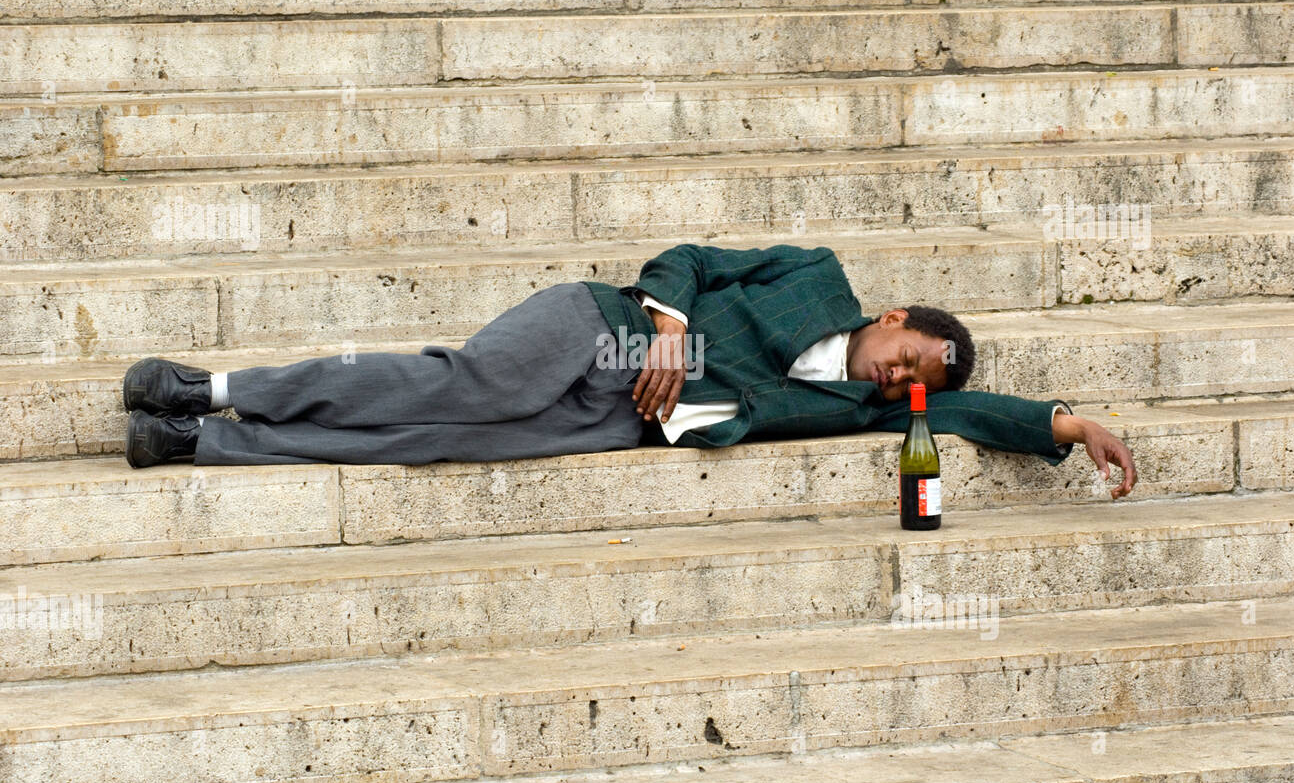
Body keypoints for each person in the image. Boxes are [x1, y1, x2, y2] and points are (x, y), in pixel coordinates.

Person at [121, 242, 1138, 498]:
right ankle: (208, 385)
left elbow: (974, 414)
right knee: (463, 386)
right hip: (602, 329)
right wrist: (663, 328)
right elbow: (691, 257)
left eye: (915, 378)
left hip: (621, 422)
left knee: (432, 440)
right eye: (907, 354)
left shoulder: (865, 414)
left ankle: (197, 441)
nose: (899, 377)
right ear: (891, 315)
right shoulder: (816, 278)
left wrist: (1065, 423)